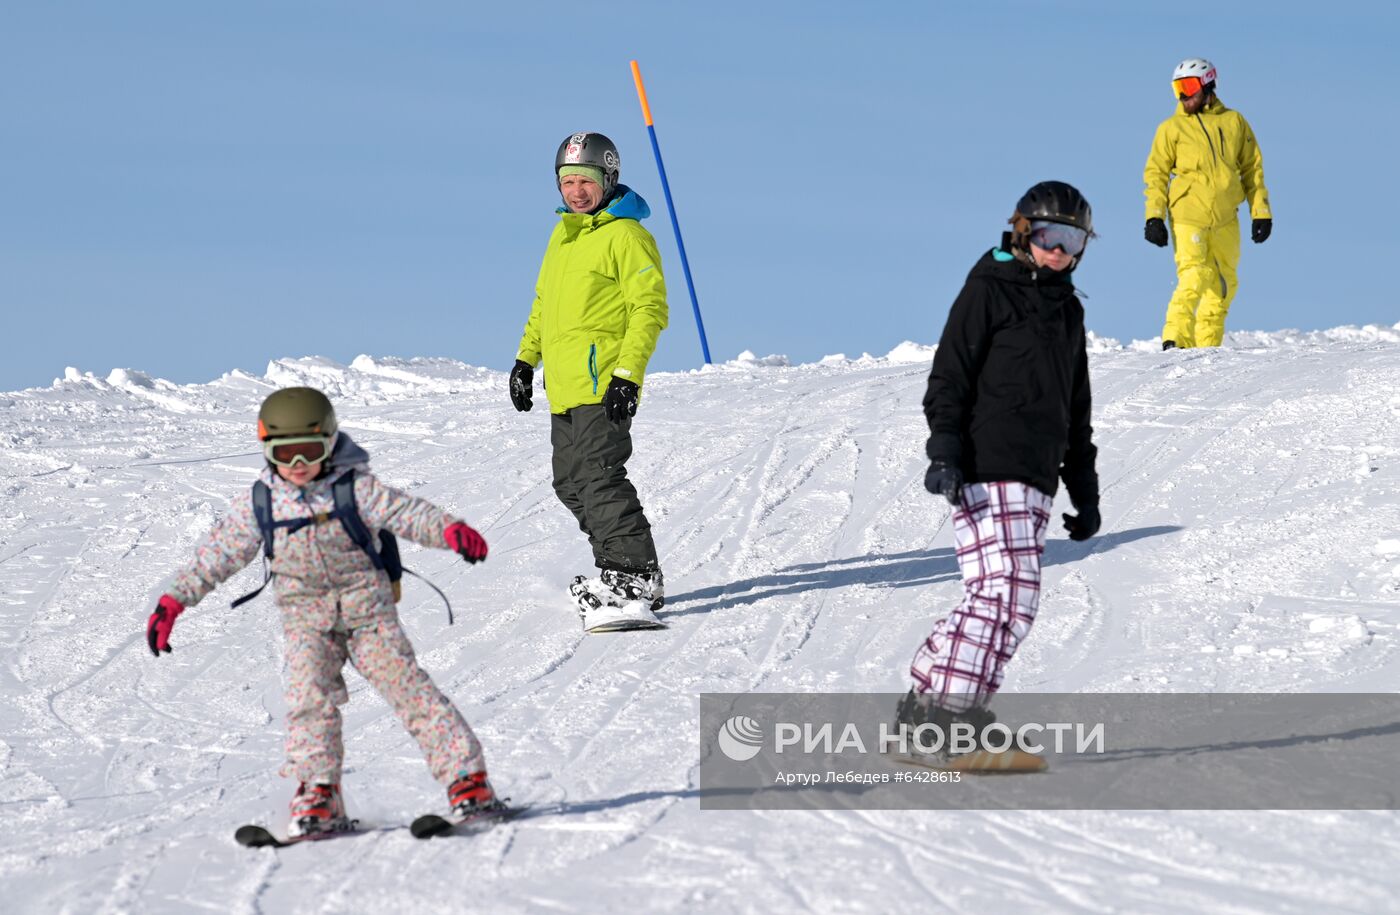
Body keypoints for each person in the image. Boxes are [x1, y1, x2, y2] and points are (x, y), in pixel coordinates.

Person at [145, 387, 497, 836]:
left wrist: (450, 530)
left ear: (329, 444)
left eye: (308, 453)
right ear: (267, 450)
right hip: (306, 622)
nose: (297, 466)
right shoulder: (262, 503)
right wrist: (174, 600)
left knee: (411, 692)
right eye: (285, 454)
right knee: (308, 702)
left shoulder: (355, 488)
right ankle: (318, 790)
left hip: (369, 616)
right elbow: (216, 555)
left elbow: (407, 512)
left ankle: (468, 781)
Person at [898, 181, 1102, 756]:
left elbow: (1076, 409)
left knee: (1000, 598)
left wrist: (1084, 493)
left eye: (1071, 239)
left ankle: (936, 696)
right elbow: (950, 376)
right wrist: (944, 451)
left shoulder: (1068, 312)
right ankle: (947, 717)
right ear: (1024, 232)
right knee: (1008, 595)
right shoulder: (990, 288)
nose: (1058, 250)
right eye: (1048, 236)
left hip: (1035, 475)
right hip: (989, 464)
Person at [509, 132, 669, 628]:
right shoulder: (563, 236)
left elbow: (649, 308)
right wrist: (524, 361)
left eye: (586, 181)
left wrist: (627, 376)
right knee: (570, 483)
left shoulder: (628, 236)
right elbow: (544, 305)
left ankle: (635, 573)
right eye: (568, 181)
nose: (576, 191)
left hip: (603, 384)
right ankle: (614, 567)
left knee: (600, 477)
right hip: (564, 387)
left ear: (609, 178)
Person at [1144, 58, 1272, 350]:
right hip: (1189, 214)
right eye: (1178, 88)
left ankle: (1206, 350)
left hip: (1227, 217)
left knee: (1223, 286)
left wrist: (1260, 212)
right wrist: (1154, 217)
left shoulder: (1234, 121)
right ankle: (1175, 338)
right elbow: (1156, 175)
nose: (1183, 95)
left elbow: (1252, 169)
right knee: (1194, 274)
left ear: (1208, 84)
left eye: (1188, 86)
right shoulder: (1171, 128)